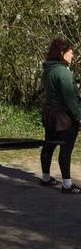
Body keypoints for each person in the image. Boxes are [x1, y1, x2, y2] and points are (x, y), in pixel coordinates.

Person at [39, 37, 81, 194]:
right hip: (63, 117)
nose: (72, 56)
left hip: (49, 113)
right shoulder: (63, 72)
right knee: (66, 150)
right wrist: (78, 117)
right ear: (62, 53)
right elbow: (70, 99)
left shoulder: (48, 70)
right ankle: (67, 185)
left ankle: (45, 178)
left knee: (48, 146)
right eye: (70, 52)